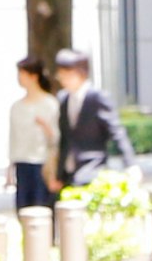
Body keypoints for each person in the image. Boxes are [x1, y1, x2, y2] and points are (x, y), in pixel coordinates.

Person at [53, 48, 123, 183]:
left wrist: (131, 165)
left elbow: (116, 132)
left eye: (65, 74)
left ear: (80, 73)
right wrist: (58, 173)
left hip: (93, 169)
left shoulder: (97, 98)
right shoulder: (63, 99)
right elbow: (64, 139)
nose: (61, 78)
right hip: (68, 173)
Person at [8, 57, 59, 210]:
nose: (19, 78)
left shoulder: (50, 104)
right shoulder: (16, 107)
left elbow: (56, 137)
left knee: (41, 207)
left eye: (22, 74)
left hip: (42, 163)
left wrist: (46, 127)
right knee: (23, 207)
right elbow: (13, 137)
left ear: (34, 76)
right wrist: (10, 166)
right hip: (22, 162)